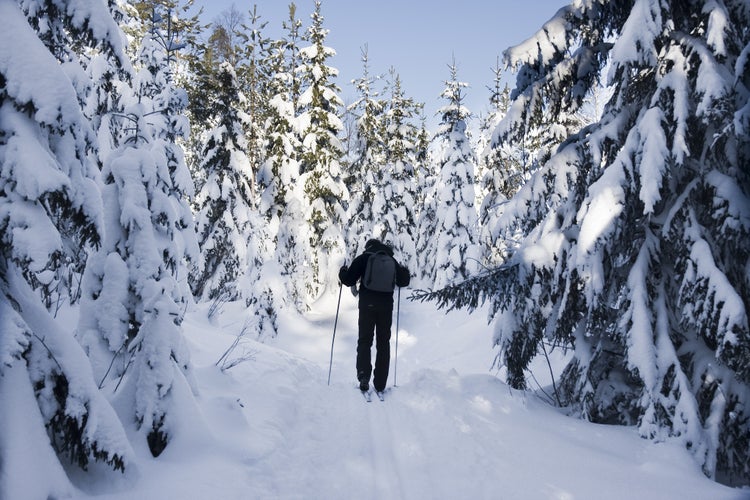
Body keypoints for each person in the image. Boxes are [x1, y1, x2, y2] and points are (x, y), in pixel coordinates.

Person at [338, 239, 410, 394]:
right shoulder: (391, 260)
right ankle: (380, 384)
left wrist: (342, 271)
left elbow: (348, 279)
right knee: (383, 343)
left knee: (365, 340)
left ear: (368, 247)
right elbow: (404, 281)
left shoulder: (364, 258)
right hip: (386, 306)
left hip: (367, 304)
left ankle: (364, 377)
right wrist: (405, 270)